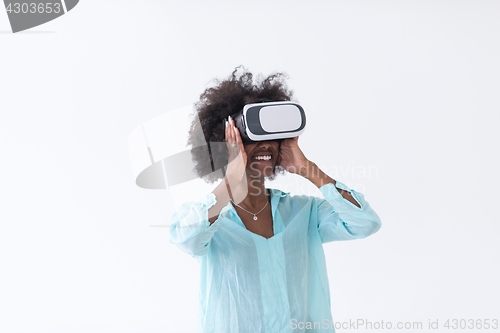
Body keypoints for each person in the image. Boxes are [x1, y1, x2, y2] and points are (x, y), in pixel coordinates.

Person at [169, 66, 382, 333]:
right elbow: (186, 238)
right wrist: (231, 180)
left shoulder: (305, 213)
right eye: (253, 136)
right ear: (226, 142)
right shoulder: (208, 218)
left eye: (273, 137)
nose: (266, 144)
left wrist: (307, 168)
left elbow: (365, 222)